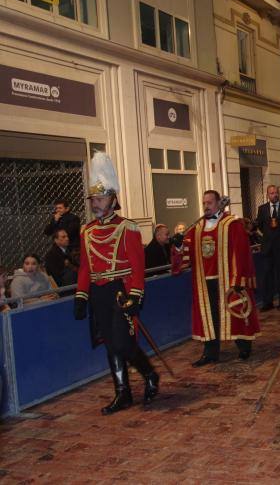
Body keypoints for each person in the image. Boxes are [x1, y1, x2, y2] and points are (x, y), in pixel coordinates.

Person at [73, 152, 159, 414]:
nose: (95, 204)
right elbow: (86, 266)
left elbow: (137, 267)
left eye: (99, 198)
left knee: (124, 344)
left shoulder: (127, 228)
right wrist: (81, 295)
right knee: (110, 344)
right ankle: (123, 393)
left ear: (112, 199)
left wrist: (136, 295)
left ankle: (150, 375)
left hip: (121, 292)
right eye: (93, 199)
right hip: (99, 294)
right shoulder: (86, 231)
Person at [172, 190, 260, 366]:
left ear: (219, 203)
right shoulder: (196, 228)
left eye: (209, 203)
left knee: (234, 313)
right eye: (204, 203)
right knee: (208, 318)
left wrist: (237, 279)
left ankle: (244, 346)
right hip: (204, 282)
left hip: (227, 279)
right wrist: (179, 244)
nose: (206, 206)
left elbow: (241, 252)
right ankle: (210, 353)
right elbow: (186, 254)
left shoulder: (232, 224)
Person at [255, 185, 280, 311]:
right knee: (267, 275)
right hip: (267, 248)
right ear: (268, 195)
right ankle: (268, 302)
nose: (275, 195)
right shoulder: (262, 209)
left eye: (276, 192)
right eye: (272, 193)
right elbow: (261, 226)